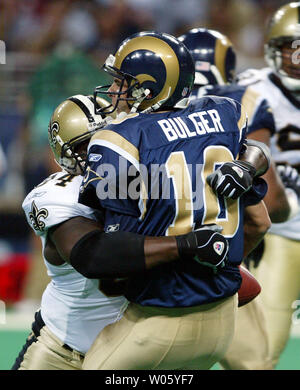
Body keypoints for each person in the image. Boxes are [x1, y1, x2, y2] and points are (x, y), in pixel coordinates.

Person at [51, 31, 271, 370]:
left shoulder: (118, 139)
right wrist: (223, 263)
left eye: (121, 82)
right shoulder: (225, 114)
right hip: (225, 316)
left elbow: (111, 263)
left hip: (158, 319)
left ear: (146, 89)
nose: (112, 91)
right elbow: (258, 220)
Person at [13, 94, 233, 370]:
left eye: (108, 137)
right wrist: (186, 245)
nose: (101, 151)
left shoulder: (152, 178)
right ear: (65, 153)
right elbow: (94, 256)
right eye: (87, 145)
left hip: (135, 346)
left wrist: (250, 164)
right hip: (63, 350)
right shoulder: (57, 195)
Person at [178, 26, 300, 370]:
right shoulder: (244, 101)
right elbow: (271, 207)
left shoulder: (143, 121)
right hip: (235, 248)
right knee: (256, 362)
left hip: (164, 253)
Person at [236, 2, 300, 368]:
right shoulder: (254, 91)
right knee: (261, 352)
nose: (296, 57)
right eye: (289, 46)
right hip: (281, 233)